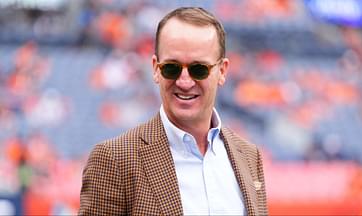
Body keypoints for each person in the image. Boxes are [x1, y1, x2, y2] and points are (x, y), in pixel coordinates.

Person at [79, 7, 268, 215]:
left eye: (199, 69)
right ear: (155, 69)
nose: (184, 82)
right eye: (171, 67)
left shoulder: (249, 157)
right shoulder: (114, 159)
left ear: (221, 71)